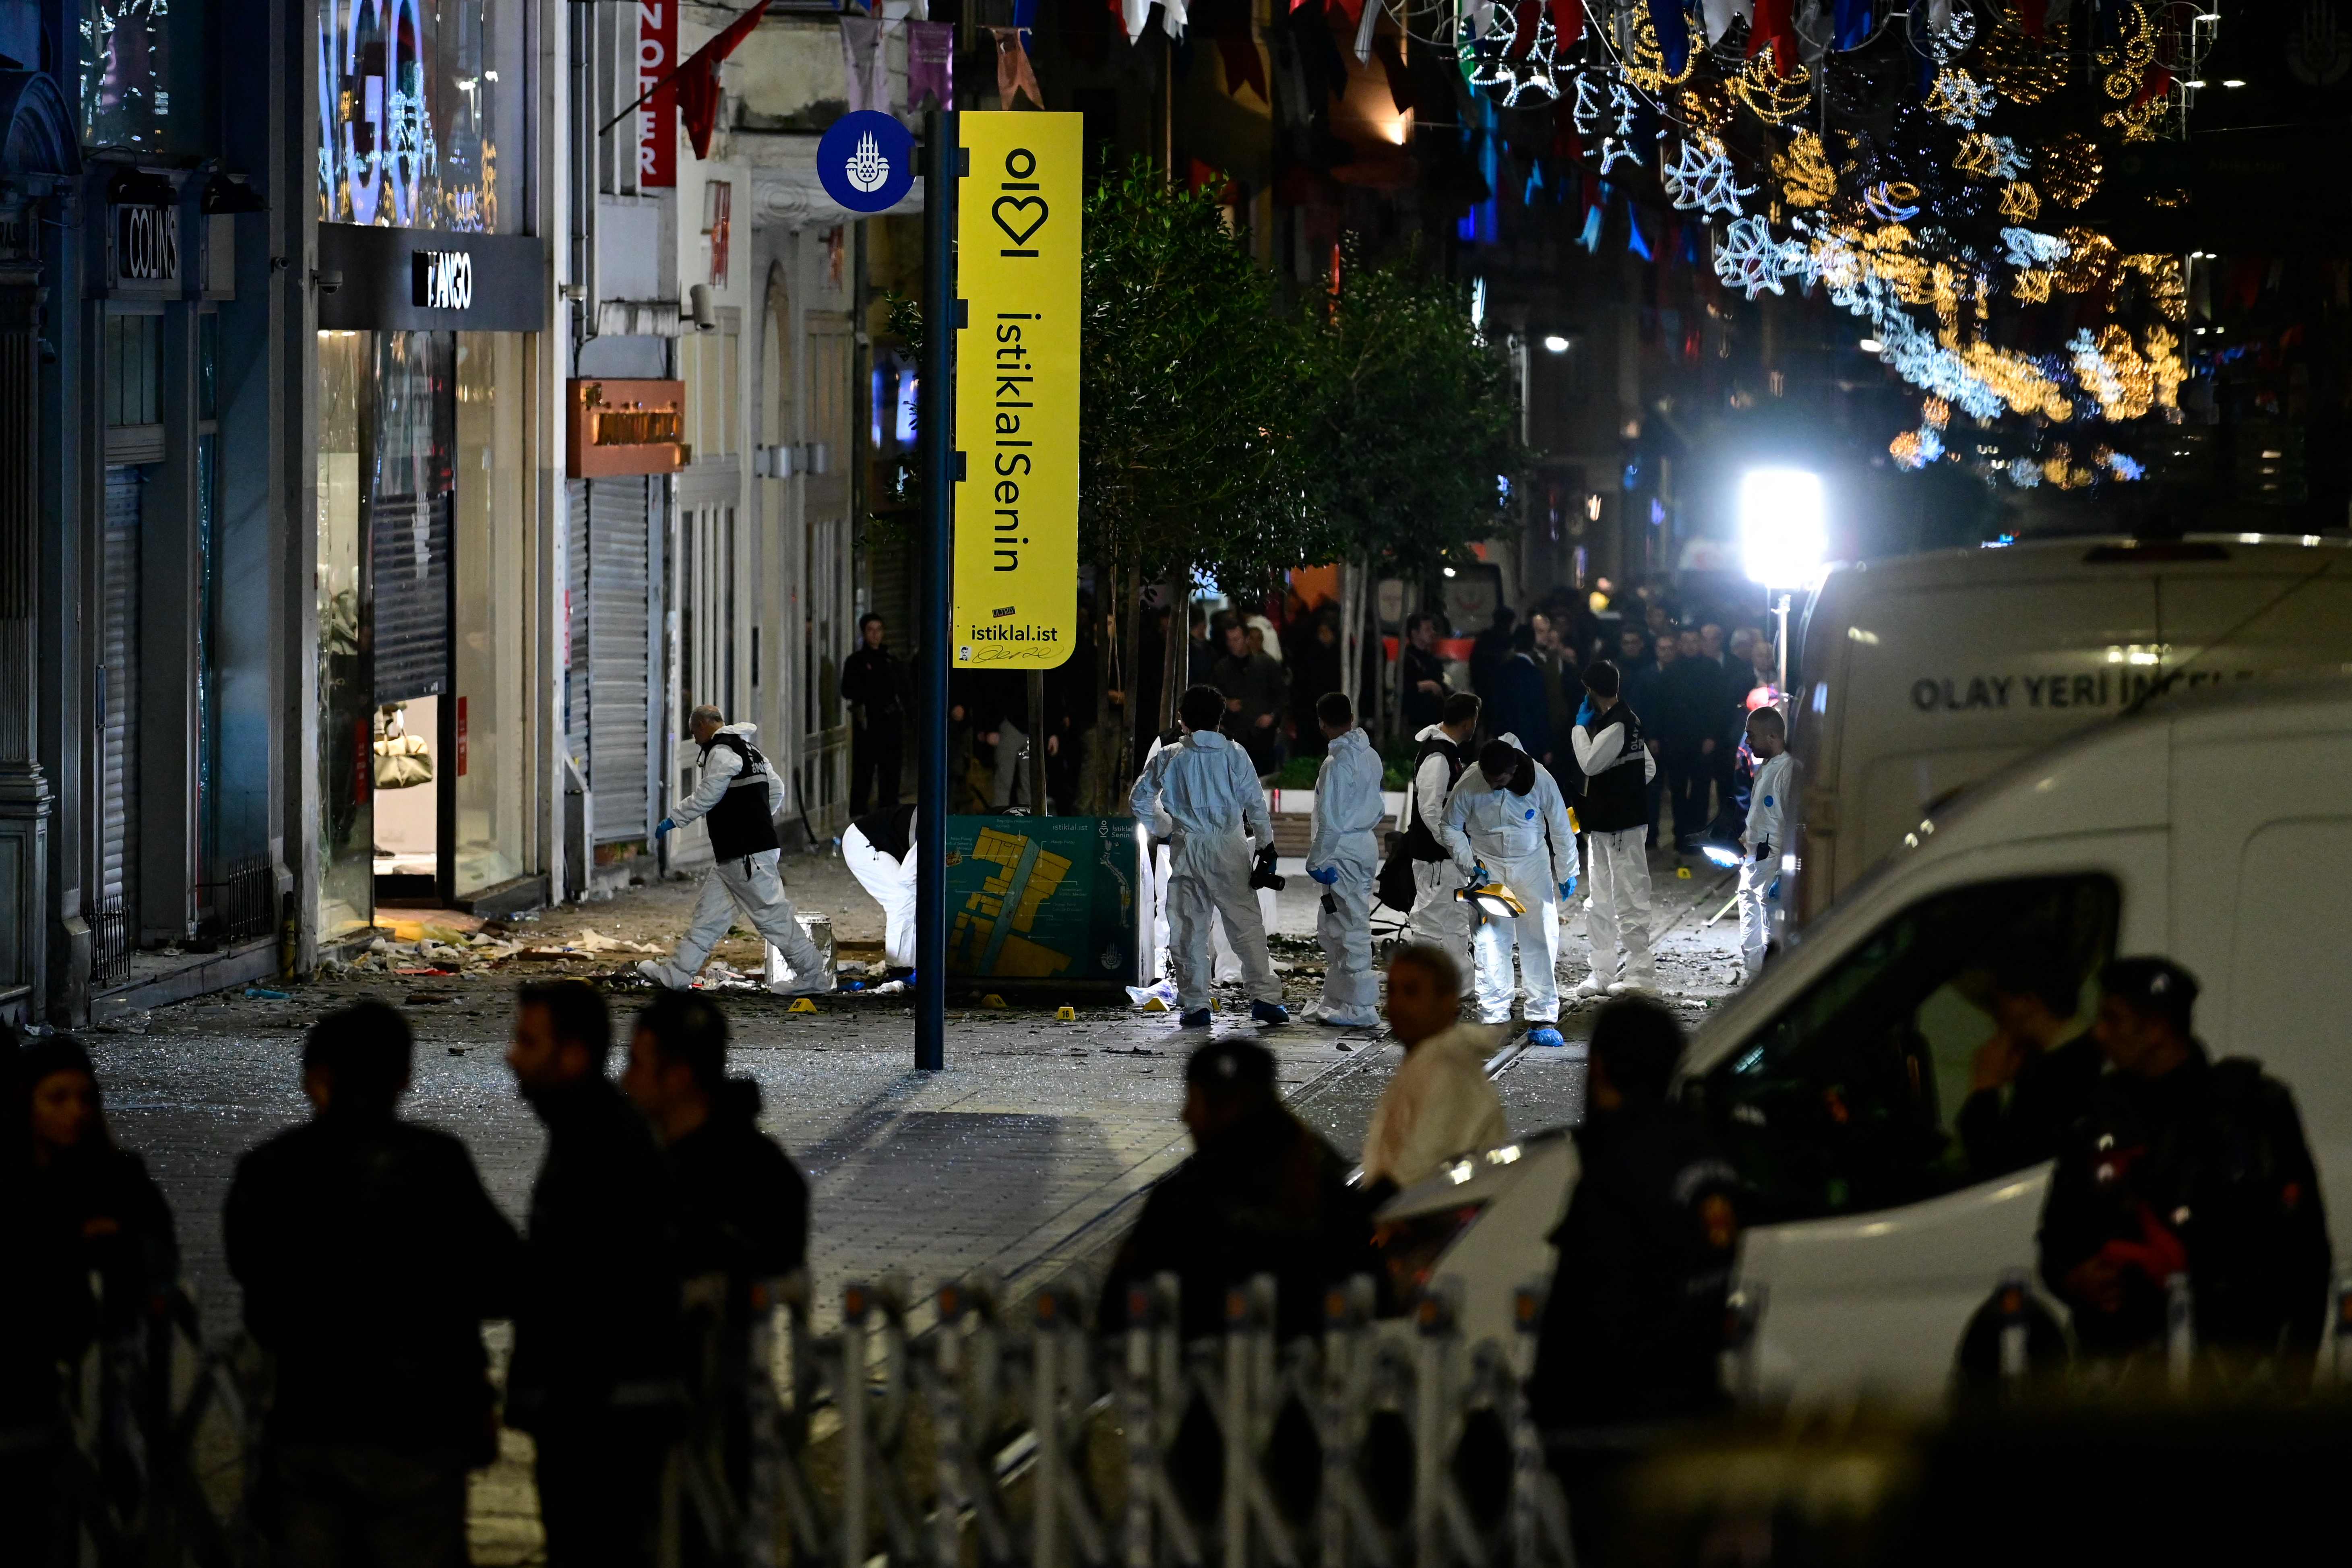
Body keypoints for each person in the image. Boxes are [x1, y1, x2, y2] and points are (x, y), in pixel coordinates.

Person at [225, 1003, 523, 1568]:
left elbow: (254, 1289)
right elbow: (502, 1280)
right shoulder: (437, 1163)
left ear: (315, 1077)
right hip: (418, 1428)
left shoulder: (269, 1169)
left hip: (309, 1420)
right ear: (404, 1078)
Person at [2038, 959, 2331, 1359]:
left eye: (2113, 1019)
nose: (2099, 1033)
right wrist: (2072, 1279)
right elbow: (2056, 1237)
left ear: (2157, 1029)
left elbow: (2306, 1254)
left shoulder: (2251, 1109)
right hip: (2120, 1366)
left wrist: (2297, 1370)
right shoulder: (2095, 1115)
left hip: (2227, 1368)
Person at [505, 981, 686, 1568]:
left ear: (573, 1054)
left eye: (527, 1040)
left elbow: (590, 1285)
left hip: (600, 1417)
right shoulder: (590, 1132)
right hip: (595, 1407)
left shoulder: (600, 1145)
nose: (511, 1054)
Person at [1528, 998, 1738, 1431]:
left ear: (1600, 1066)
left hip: (1622, 1423)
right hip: (1695, 1403)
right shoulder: (1707, 1155)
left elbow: (1592, 1314)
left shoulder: (1615, 1166)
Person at [8, 1038, 177, 1564]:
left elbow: (156, 1251)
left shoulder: (118, 1172)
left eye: (84, 1097)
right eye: (57, 1098)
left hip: (104, 1361)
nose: (75, 1111)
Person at [1095, 1038, 1382, 1340]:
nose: (1185, 1115)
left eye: (1195, 1101)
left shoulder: (1184, 1200)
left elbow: (1117, 1306)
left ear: (1225, 1110)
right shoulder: (1323, 1183)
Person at [637, 704, 830, 997]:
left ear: (703, 725)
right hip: (739, 856)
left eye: (694, 733)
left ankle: (813, 975)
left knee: (773, 917)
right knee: (707, 918)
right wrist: (758, 818)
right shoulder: (749, 750)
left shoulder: (721, 751)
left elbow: (709, 794)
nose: (696, 741)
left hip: (746, 855)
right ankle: (676, 974)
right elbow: (775, 789)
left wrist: (675, 819)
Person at [1130, 685, 1290, 1030]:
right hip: (1230, 846)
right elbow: (1256, 804)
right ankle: (1266, 999)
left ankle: (1196, 1005)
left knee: (1189, 930)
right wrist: (1266, 845)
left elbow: (1140, 800)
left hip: (1187, 848)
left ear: (1182, 720)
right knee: (1246, 926)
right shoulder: (1235, 754)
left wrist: (1167, 826)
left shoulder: (1169, 755)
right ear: (1220, 719)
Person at [1442, 734, 1579, 1047]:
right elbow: (1449, 825)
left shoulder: (1541, 779)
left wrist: (1568, 869)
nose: (1493, 784)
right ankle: (1493, 1018)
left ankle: (1542, 1015)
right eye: (1489, 780)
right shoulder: (1470, 782)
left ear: (1514, 770)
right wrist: (1469, 863)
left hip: (1532, 864)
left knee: (1540, 936)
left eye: (1500, 780)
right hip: (1487, 865)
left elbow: (1560, 824)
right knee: (1490, 941)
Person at [1359, 945, 1508, 1198]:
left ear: (1447, 1001)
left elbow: (1412, 1177)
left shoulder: (1446, 1069)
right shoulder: (1428, 1059)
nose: (1397, 1006)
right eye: (1392, 992)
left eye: (1412, 993)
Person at [1955, 948, 2102, 1178]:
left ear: (2028, 1002)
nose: (1996, 1015)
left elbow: (1994, 1164)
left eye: (2000, 1002)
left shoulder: (2064, 1073)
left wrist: (1985, 1087)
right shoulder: (2069, 1056)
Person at [1571, 661, 1659, 996]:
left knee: (1630, 898)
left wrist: (1579, 730)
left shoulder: (1616, 725)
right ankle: (1602, 972)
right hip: (1608, 826)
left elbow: (1590, 763)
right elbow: (1647, 767)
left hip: (1622, 827)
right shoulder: (1626, 720)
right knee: (1601, 900)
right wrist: (1625, 790)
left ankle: (1641, 975)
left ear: (1590, 691)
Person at [1303, 691, 1386, 1029]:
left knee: (1350, 925)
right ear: (1351, 717)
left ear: (1322, 723)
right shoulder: (1370, 756)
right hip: (1359, 846)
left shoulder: (1337, 764)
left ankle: (1361, 1006)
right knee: (1336, 925)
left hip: (1342, 851)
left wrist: (1315, 860)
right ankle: (1339, 997)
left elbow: (1331, 819)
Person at [1397, 693, 1482, 978]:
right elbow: (1431, 810)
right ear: (1469, 721)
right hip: (1436, 859)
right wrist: (1454, 845)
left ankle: (1460, 985)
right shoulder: (1438, 756)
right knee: (1430, 925)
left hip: (1446, 859)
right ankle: (1422, 985)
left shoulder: (1447, 752)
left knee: (1455, 922)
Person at [1736, 707, 1792, 982]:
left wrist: (1784, 869)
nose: (1747, 742)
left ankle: (1772, 978)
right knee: (1749, 910)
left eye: (1751, 735)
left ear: (1772, 736)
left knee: (1769, 917)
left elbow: (1793, 821)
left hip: (1772, 859)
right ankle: (1755, 973)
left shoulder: (1788, 771)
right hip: (1755, 857)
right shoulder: (1767, 768)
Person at [1657, 628, 1718, 853]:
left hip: (1702, 738)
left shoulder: (1712, 669)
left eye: (1695, 641)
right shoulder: (1671, 671)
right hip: (1676, 739)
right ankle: (1681, 836)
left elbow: (1717, 707)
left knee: (1701, 790)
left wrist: (1712, 735)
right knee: (1678, 790)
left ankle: (1698, 836)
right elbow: (1663, 707)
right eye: (1686, 641)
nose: (1691, 645)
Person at [840, 614, 908, 815]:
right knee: (864, 773)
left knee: (891, 774)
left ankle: (889, 815)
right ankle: (859, 817)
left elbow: (904, 690)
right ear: (864, 633)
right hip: (869, 724)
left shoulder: (891, 660)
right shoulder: (856, 662)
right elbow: (848, 690)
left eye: (879, 630)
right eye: (871, 630)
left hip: (891, 723)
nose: (876, 635)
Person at [842, 802, 918, 971]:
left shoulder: (946, 826)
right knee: (902, 901)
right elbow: (908, 878)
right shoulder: (936, 830)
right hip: (862, 842)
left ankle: (911, 965)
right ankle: (900, 970)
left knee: (912, 901)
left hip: (880, 842)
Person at [1211, 618, 1287, 777]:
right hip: (1234, 738)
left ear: (1246, 639)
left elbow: (1282, 696)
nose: (1232, 644)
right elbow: (1212, 697)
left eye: (1236, 639)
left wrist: (1272, 717)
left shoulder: (1266, 665)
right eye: (1229, 640)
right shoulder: (1221, 668)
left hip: (1263, 738)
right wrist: (1226, 703)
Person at [1487, 624, 1554, 769]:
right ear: (1532, 643)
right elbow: (1540, 711)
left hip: (1504, 741)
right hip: (1531, 743)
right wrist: (1546, 746)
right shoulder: (1534, 673)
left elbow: (1496, 708)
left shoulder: (1502, 671)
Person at [1399, 612, 1451, 735]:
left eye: (1433, 629)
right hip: (1418, 721)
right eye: (1428, 630)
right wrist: (1428, 685)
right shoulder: (1408, 659)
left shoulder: (1431, 659)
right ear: (1415, 633)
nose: (1433, 633)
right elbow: (1405, 687)